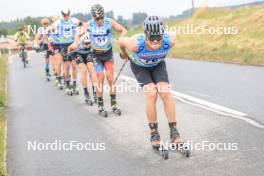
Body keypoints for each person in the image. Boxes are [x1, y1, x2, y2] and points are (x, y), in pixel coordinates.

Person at [119, 16, 187, 150]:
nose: (155, 42)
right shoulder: (135, 43)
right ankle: (154, 133)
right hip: (139, 67)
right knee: (151, 94)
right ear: (145, 35)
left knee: (165, 92)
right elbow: (120, 41)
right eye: (152, 39)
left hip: (157, 65)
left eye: (158, 38)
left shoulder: (170, 40)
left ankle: (174, 132)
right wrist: (124, 54)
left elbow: (174, 32)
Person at [85, 4, 127, 115]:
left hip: (108, 55)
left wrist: (121, 39)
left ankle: (114, 104)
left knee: (110, 78)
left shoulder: (109, 22)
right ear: (93, 17)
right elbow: (77, 34)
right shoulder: (89, 24)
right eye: (97, 18)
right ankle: (100, 106)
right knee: (100, 79)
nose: (99, 20)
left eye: (101, 17)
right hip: (96, 56)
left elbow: (123, 30)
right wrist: (76, 43)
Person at [49, 9, 81, 92]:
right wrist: (51, 30)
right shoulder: (59, 22)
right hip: (63, 45)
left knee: (74, 65)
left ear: (69, 14)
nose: (66, 17)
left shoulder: (73, 20)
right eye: (64, 15)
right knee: (66, 66)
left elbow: (82, 25)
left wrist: (80, 30)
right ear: (62, 15)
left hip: (73, 44)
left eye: (67, 15)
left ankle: (74, 83)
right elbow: (50, 28)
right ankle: (67, 83)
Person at [68, 33, 98, 104]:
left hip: (88, 54)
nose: (88, 45)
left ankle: (95, 91)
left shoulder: (92, 44)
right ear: (82, 42)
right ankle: (86, 92)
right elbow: (69, 48)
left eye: (89, 43)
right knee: (83, 70)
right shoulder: (76, 44)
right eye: (86, 43)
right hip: (78, 54)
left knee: (91, 69)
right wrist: (69, 56)